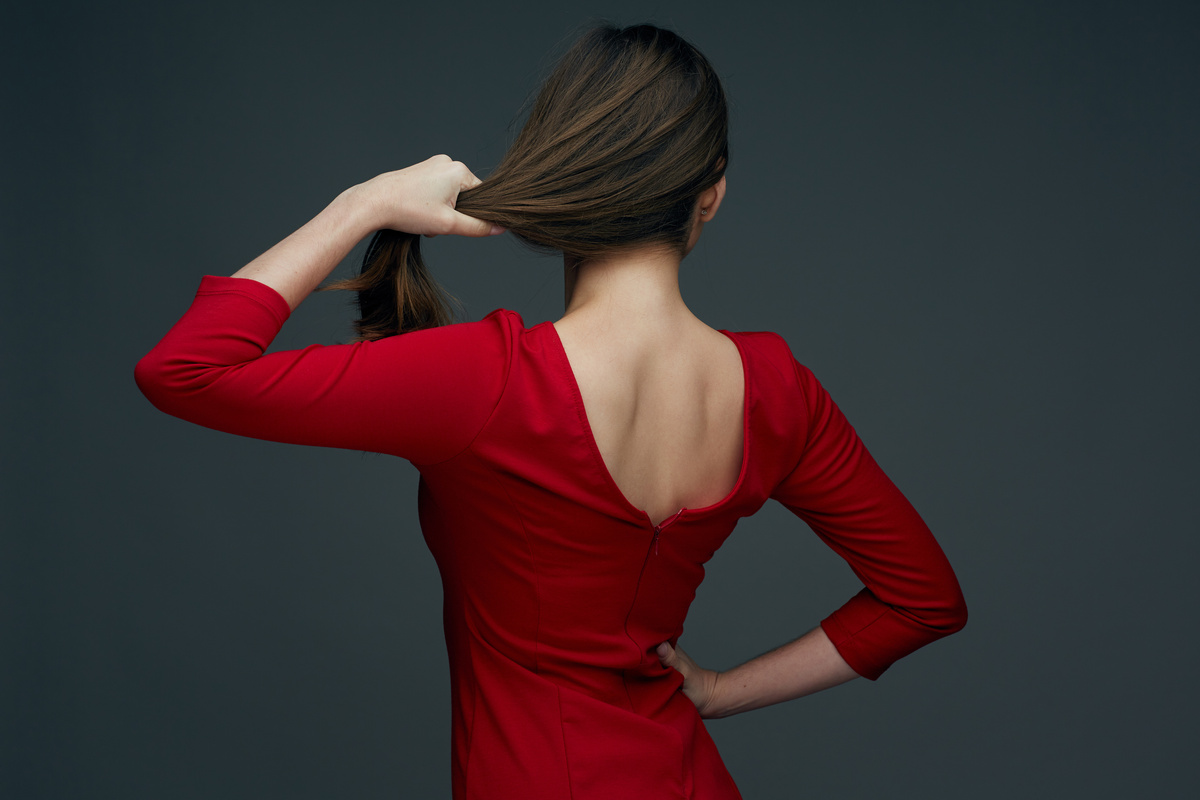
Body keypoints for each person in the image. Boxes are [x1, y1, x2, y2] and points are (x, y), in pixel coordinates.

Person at [135, 23, 967, 800]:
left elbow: (185, 370)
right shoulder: (777, 387)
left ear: (566, 177)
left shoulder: (488, 381)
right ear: (710, 196)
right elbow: (923, 600)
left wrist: (365, 204)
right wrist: (712, 694)